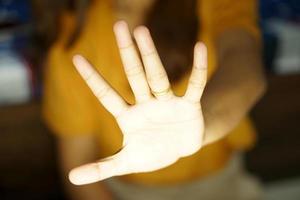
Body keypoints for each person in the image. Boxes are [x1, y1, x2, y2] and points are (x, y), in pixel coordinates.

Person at [42, 0, 266, 199]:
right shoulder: (75, 39)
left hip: (220, 184)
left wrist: (204, 123)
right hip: (127, 193)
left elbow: (244, 64)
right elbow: (80, 163)